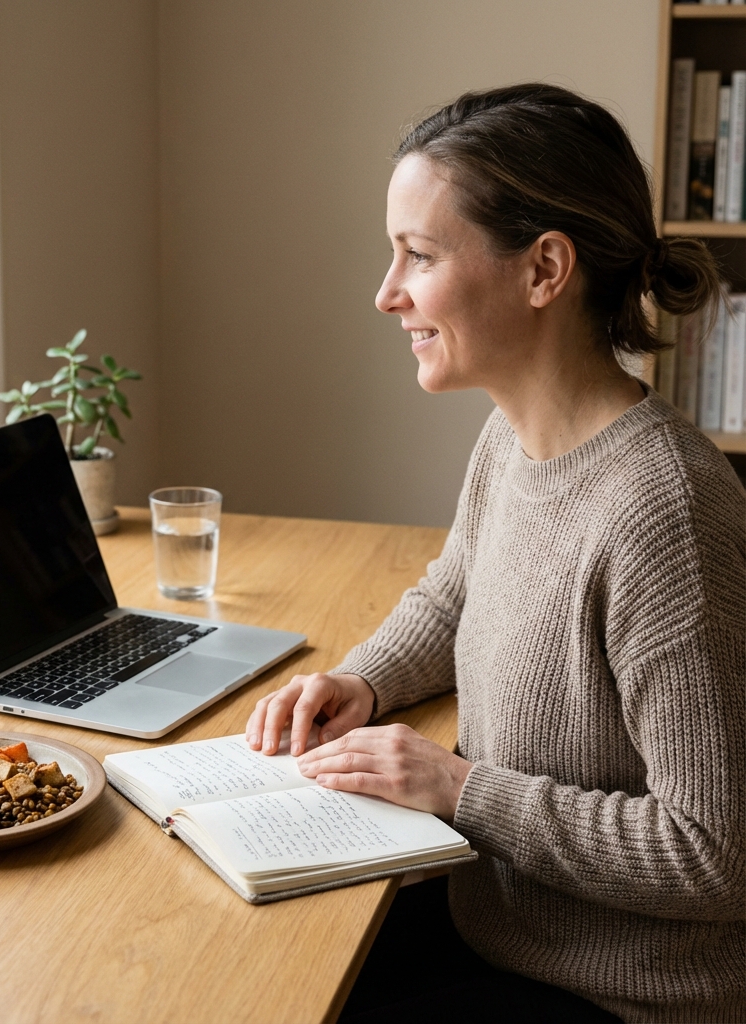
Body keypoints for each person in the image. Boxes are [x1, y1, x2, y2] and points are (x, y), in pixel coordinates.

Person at [245, 84, 744, 1023]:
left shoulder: (663, 513)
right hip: (500, 922)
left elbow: (711, 853)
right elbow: (459, 592)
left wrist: (457, 787)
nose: (386, 292)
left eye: (419, 256)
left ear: (544, 269)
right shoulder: (514, 437)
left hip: (620, 993)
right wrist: (360, 683)